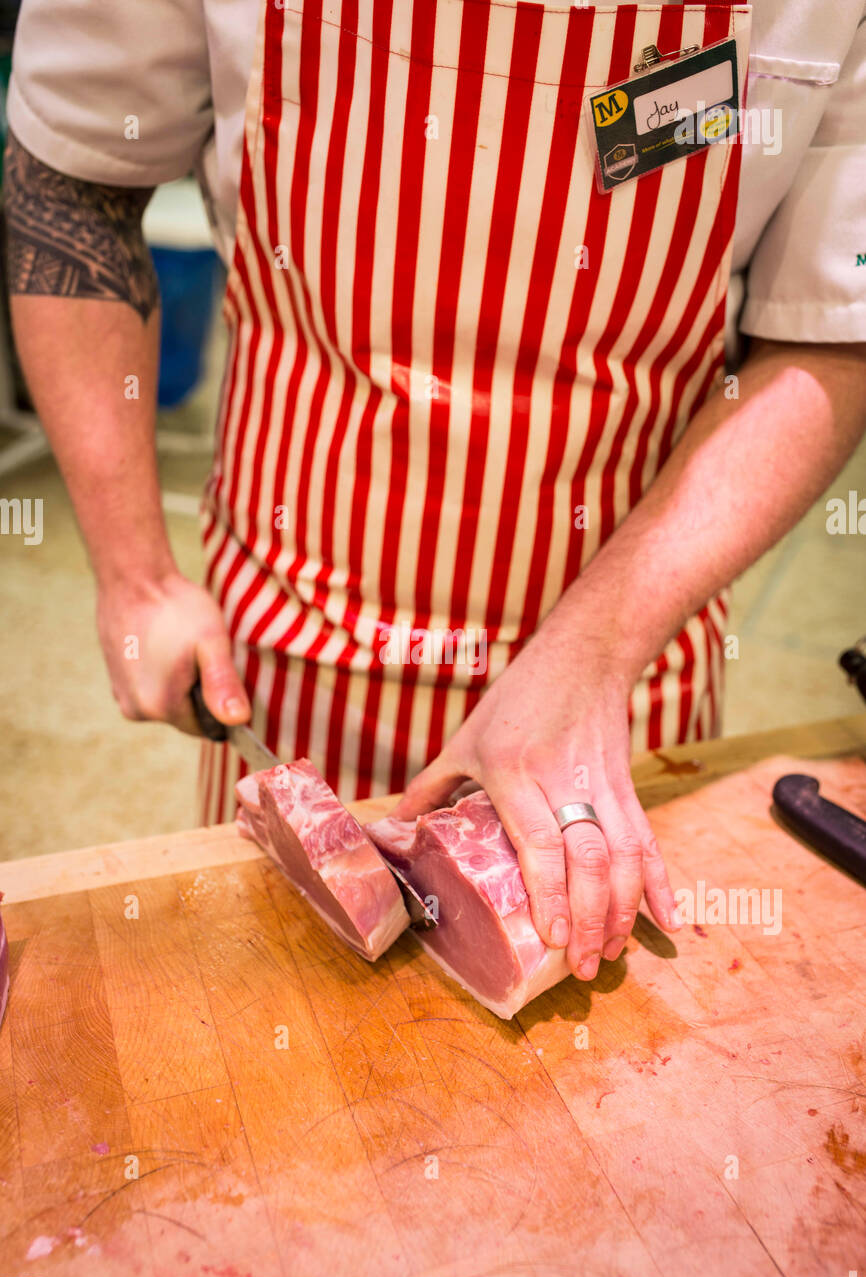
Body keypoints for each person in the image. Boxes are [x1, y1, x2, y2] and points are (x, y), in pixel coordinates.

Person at [5, 0, 866, 984]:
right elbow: (73, 174)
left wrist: (594, 650)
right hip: (292, 654)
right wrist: (134, 573)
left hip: (624, 680)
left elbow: (826, 322)